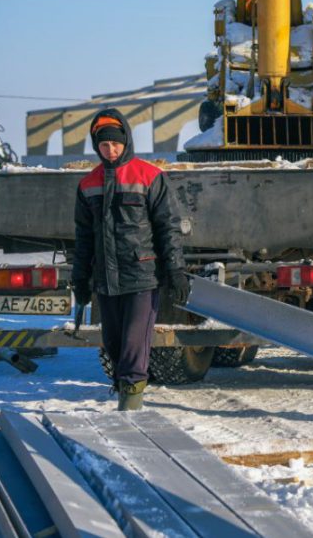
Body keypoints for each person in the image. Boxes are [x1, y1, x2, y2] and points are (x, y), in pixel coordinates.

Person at [72, 109, 190, 411]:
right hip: (106, 279)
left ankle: (130, 407)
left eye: (115, 144)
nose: (110, 150)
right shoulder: (88, 184)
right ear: (96, 146)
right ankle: (125, 388)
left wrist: (176, 269)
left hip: (142, 275)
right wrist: (80, 279)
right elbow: (83, 238)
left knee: (133, 346)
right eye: (103, 145)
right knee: (112, 344)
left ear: (126, 142)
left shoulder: (150, 177)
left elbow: (168, 228)